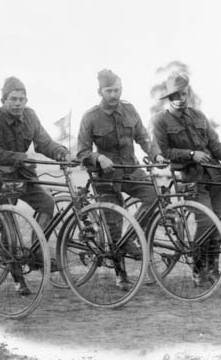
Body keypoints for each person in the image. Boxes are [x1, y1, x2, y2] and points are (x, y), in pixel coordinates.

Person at [152, 72, 221, 287]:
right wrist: (191, 154)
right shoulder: (161, 120)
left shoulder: (199, 116)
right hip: (191, 178)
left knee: (216, 224)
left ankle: (212, 270)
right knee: (206, 221)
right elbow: (165, 151)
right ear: (168, 98)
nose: (181, 98)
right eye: (175, 95)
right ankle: (198, 270)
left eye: (183, 93)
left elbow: (215, 145)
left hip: (215, 176)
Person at [0, 76, 70, 295]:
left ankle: (37, 252)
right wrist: (21, 156)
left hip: (24, 176)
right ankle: (18, 278)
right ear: (3, 100)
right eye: (13, 99)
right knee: (9, 231)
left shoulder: (30, 116)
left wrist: (60, 152)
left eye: (22, 99)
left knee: (47, 203)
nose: (18, 103)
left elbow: (44, 142)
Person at [77, 69, 165, 291]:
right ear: (100, 91)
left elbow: (144, 137)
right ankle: (121, 275)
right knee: (113, 224)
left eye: (117, 89)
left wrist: (156, 154)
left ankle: (130, 238)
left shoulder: (129, 110)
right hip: (105, 177)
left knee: (154, 195)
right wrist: (98, 157)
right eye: (109, 91)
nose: (114, 94)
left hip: (131, 170)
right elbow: (82, 152)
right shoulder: (90, 117)